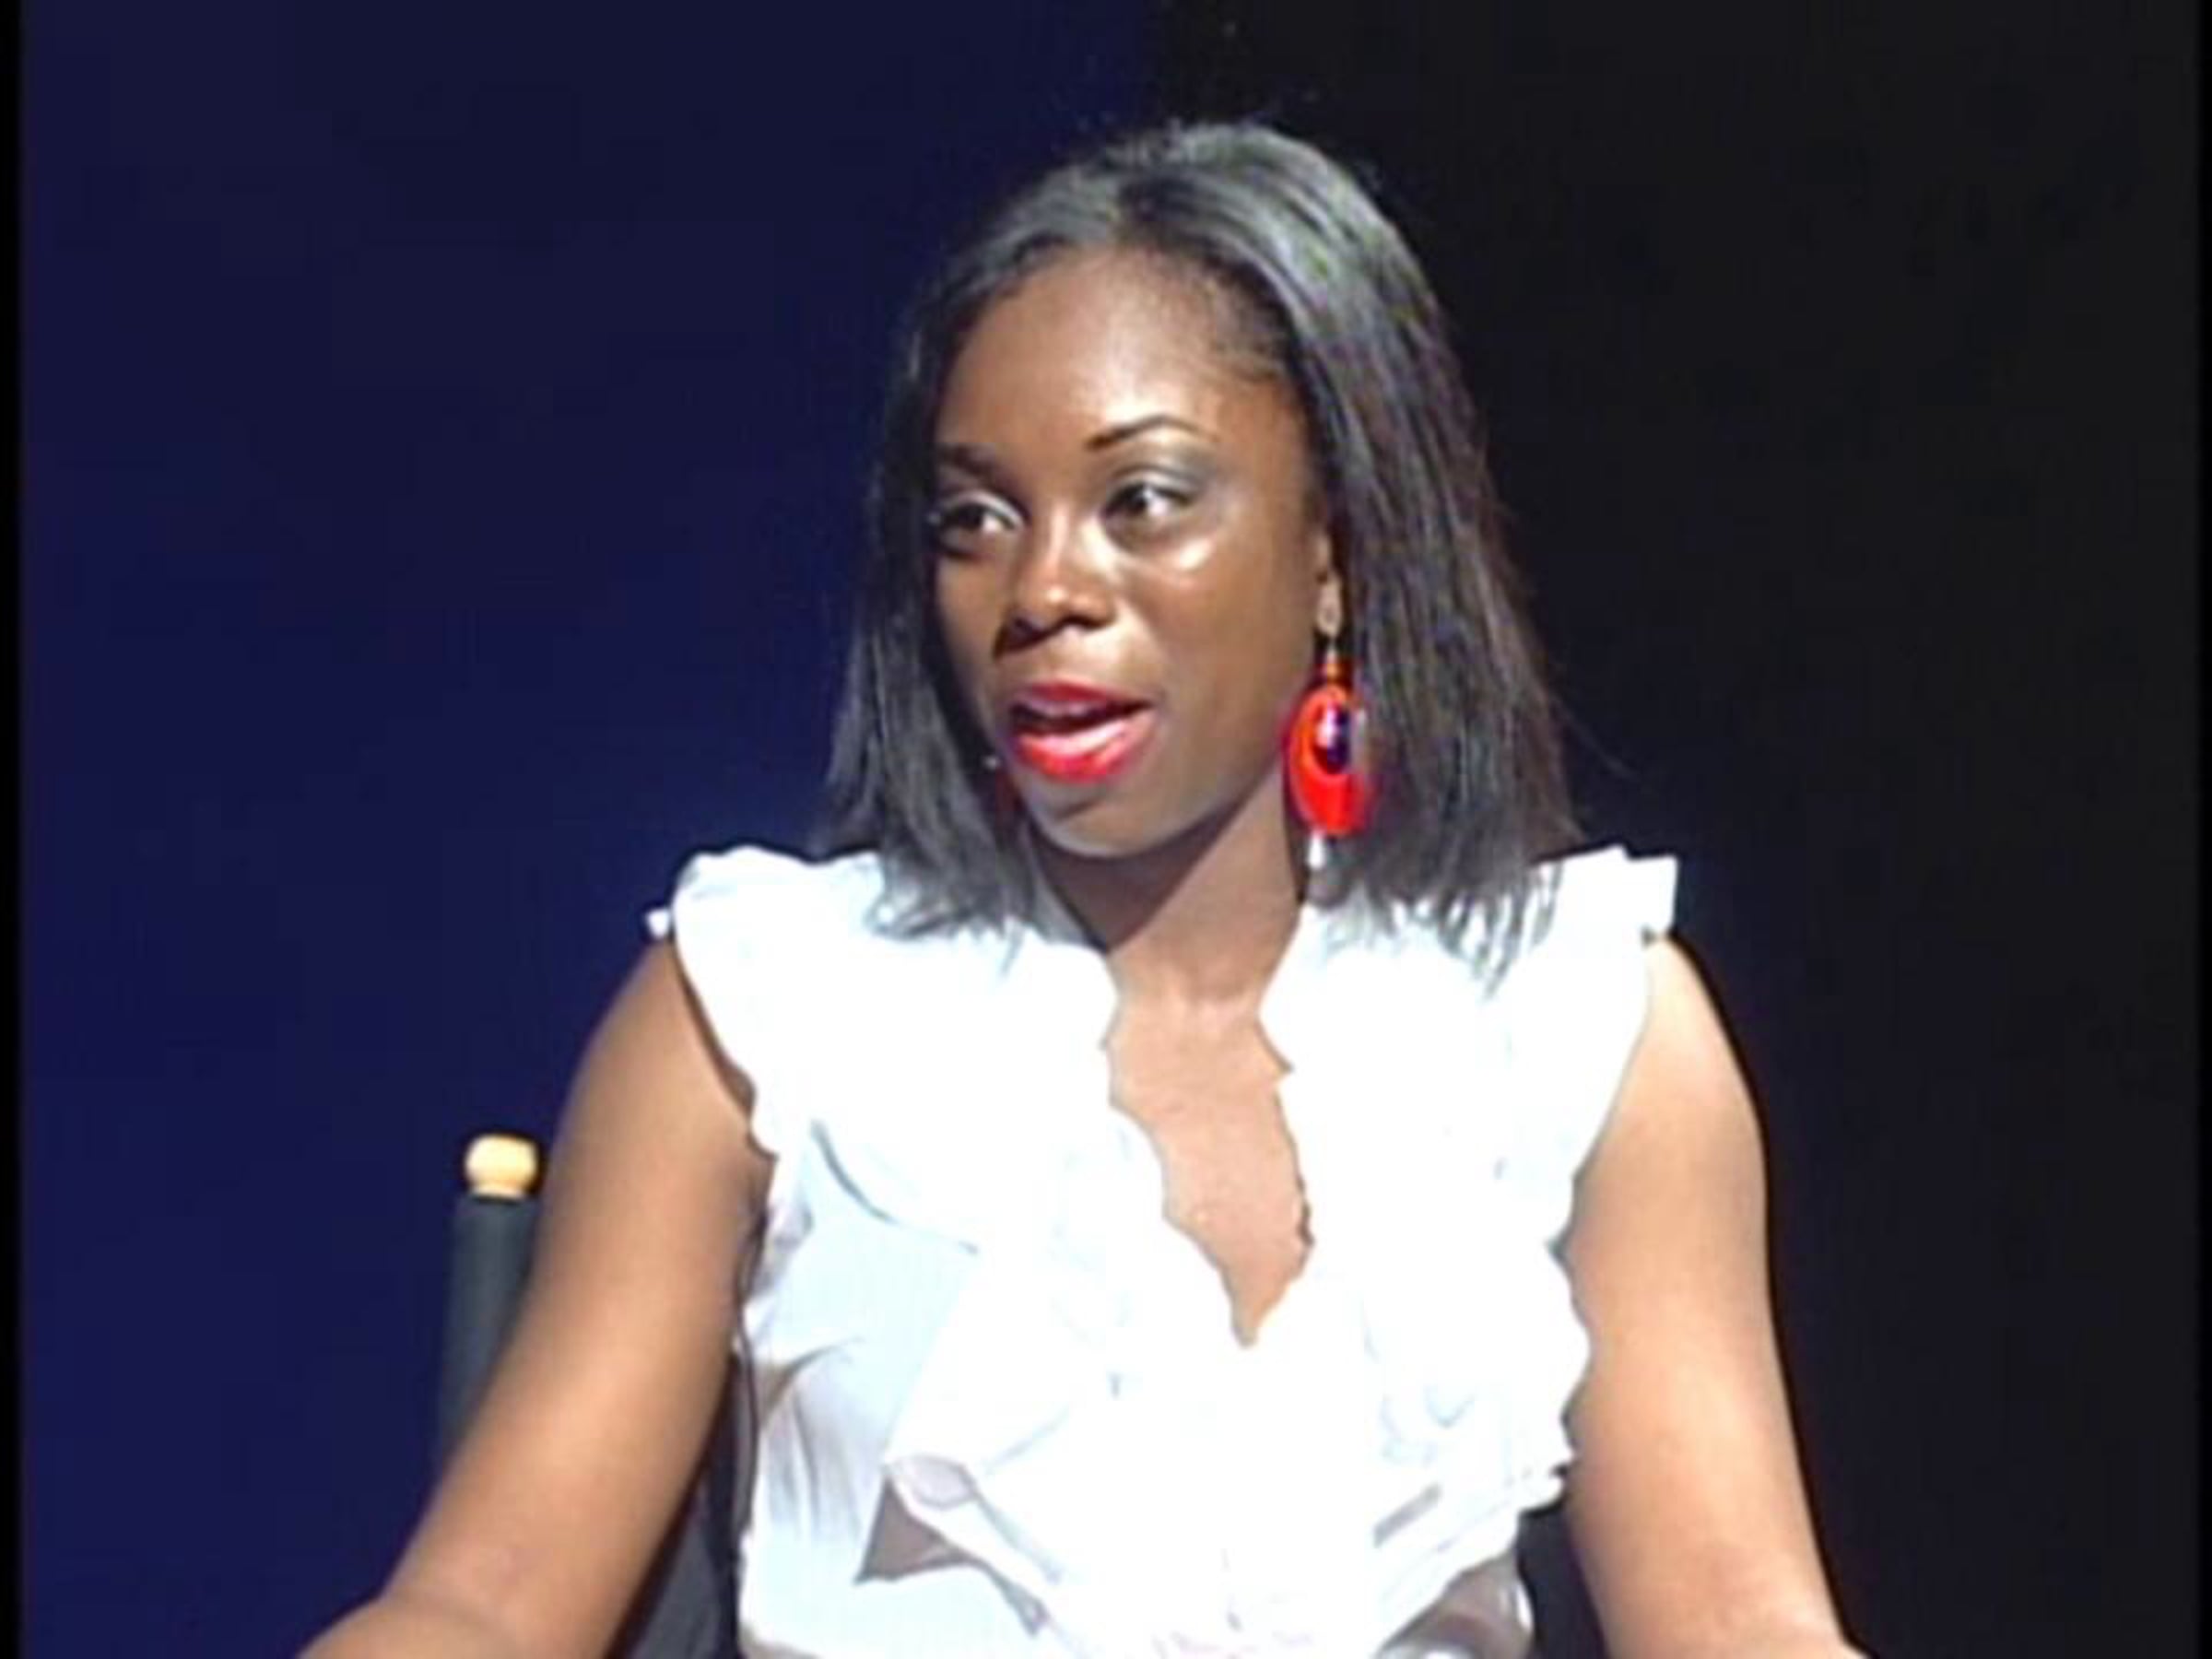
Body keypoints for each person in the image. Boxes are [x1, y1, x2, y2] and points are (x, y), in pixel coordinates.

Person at [307, 122, 1865, 1658]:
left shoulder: (1580, 1018)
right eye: (977, 520)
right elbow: (482, 1608)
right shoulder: (766, 1011)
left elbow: (1740, 1621)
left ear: (1336, 552)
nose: (1044, 588)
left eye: (1144, 502)